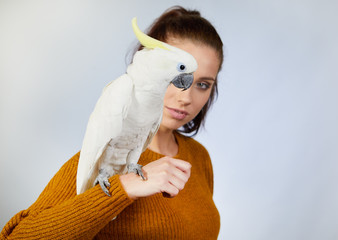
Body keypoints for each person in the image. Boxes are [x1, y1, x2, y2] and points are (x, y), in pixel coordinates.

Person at [1, 5, 224, 239]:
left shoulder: (199, 157)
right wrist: (124, 187)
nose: (185, 97)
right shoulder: (104, 155)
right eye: (175, 76)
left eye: (202, 84)